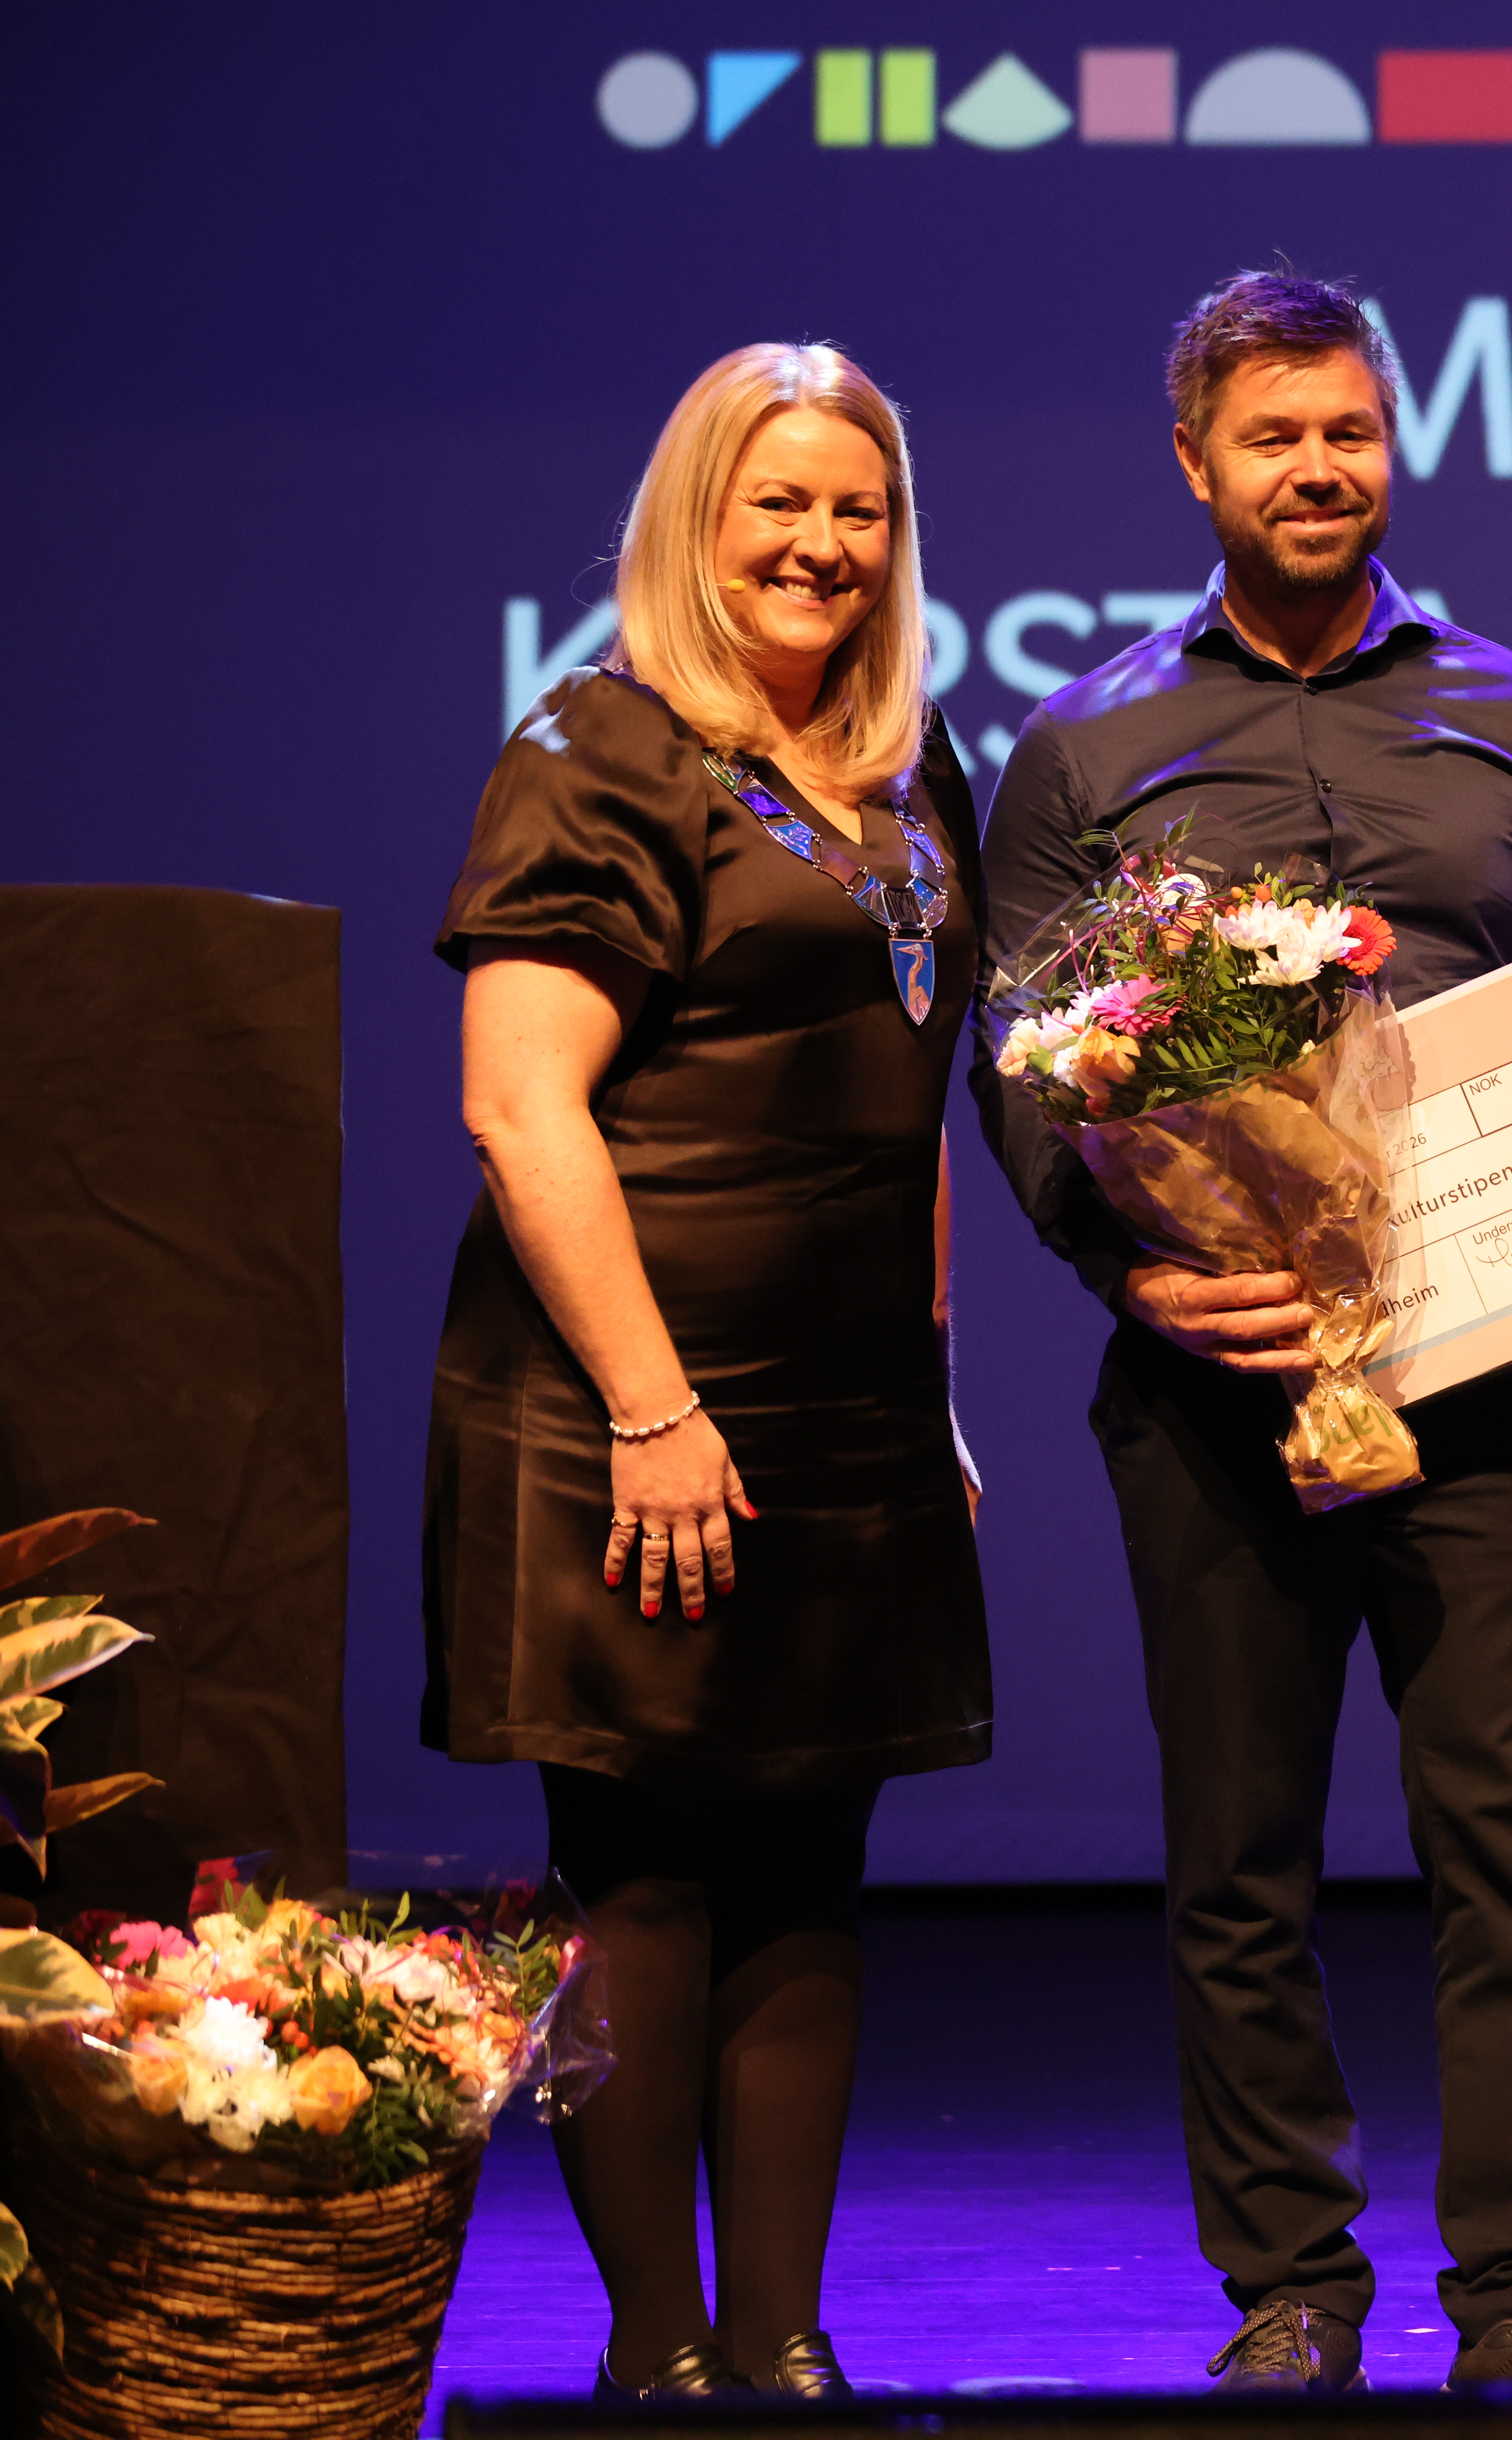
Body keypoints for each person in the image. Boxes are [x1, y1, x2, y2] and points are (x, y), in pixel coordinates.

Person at [969, 271, 1512, 2433]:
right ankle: (1286, 2282)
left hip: (1485, 1390)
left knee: (1508, 1853)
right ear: (1195, 463)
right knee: (1239, 1858)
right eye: (1274, 437)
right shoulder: (1086, 745)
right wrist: (1138, 1275)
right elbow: (1026, 1088)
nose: (1317, 469)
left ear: (1393, 449)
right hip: (1212, 1395)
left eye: (1349, 432)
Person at [423, 343, 990, 2403]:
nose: (821, 544)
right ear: (695, 519)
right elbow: (520, 1109)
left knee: (809, 1871)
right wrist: (657, 1417)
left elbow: (907, 1108)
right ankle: (654, 2346)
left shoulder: (915, 769)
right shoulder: (601, 748)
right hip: (624, 1410)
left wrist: (922, 1398)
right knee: (650, 1871)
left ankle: (784, 2339)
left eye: (856, 507)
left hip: (839, 1419)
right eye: (780, 504)